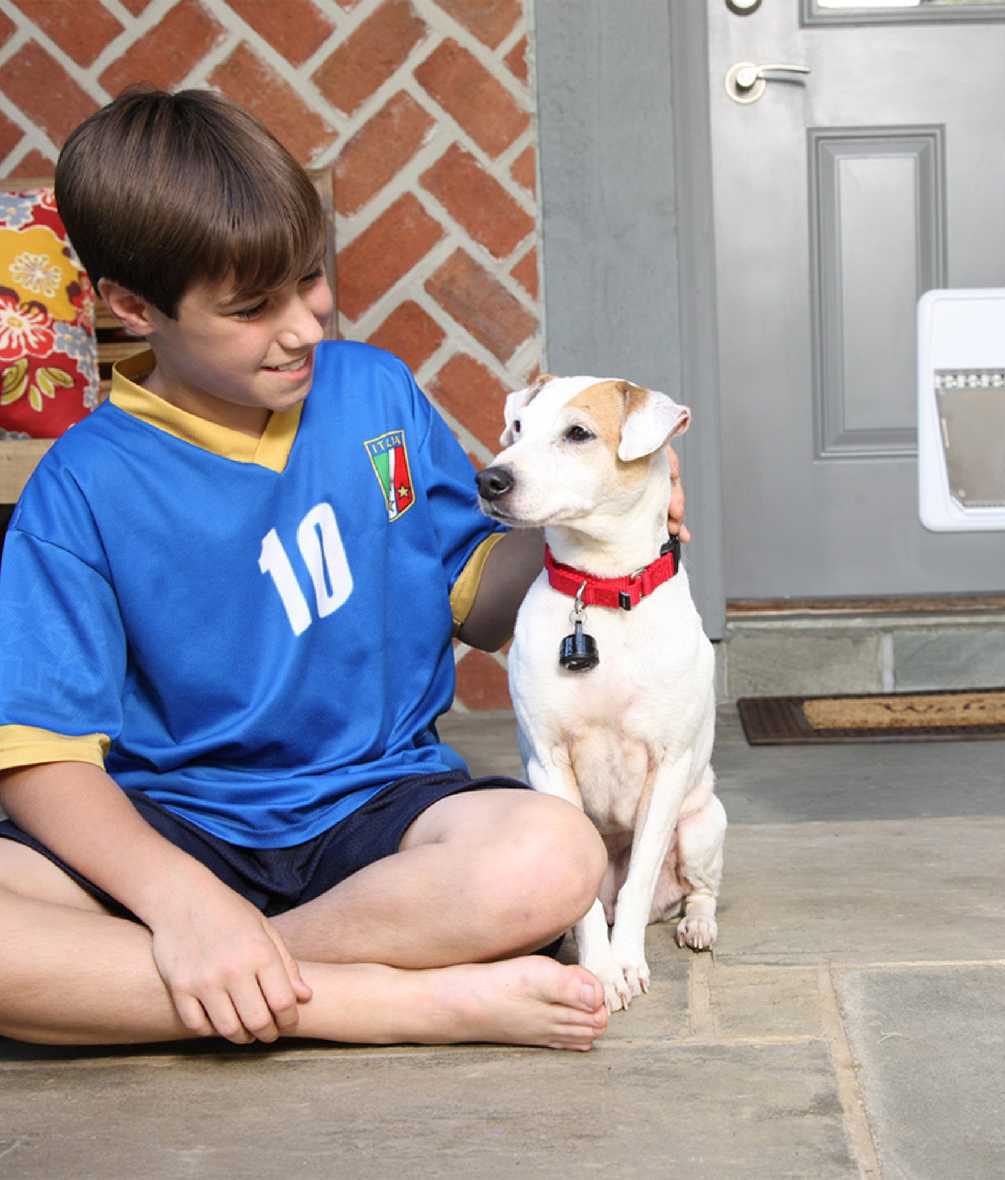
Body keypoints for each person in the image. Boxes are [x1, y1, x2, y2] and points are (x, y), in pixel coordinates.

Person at [0, 89, 687, 1052]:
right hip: (174, 825)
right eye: (252, 308)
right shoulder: (80, 489)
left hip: (378, 807)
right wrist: (185, 903)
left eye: (308, 282)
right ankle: (387, 1002)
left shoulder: (374, 395)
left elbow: (481, 601)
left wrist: (586, 519)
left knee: (553, 855)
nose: (304, 327)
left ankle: (215, 982)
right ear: (130, 306)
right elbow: (41, 761)